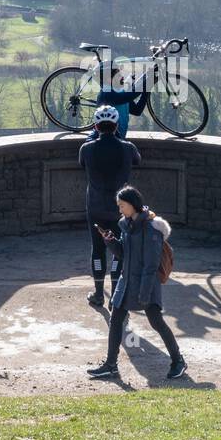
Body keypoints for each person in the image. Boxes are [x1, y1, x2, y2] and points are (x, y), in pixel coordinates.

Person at [86, 185, 187, 381]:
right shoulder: (127, 225)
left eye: (122, 206)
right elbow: (124, 253)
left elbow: (151, 265)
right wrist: (110, 241)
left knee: (156, 321)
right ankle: (111, 365)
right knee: (116, 319)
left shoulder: (151, 230)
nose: (120, 210)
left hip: (145, 283)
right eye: (119, 206)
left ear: (133, 205)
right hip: (127, 281)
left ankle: (178, 361)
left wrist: (144, 293)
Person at [78, 105, 141, 307]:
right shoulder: (127, 148)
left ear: (95, 126)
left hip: (95, 208)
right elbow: (138, 161)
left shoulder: (86, 149)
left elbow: (81, 164)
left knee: (97, 249)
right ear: (116, 126)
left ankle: (98, 293)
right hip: (119, 210)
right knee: (119, 250)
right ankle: (116, 296)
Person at [90, 64, 149, 138]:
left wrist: (147, 89)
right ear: (109, 79)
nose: (122, 76)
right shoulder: (106, 94)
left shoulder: (120, 92)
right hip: (101, 144)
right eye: (118, 75)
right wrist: (147, 82)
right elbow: (130, 95)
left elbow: (137, 111)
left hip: (118, 141)